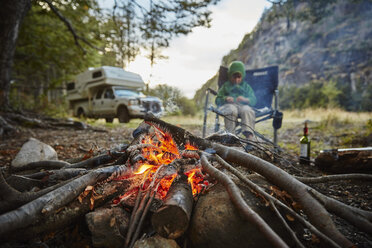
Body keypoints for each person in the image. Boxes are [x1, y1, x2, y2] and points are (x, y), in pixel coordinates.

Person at [215, 61, 257, 139]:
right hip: (228, 105)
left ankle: (249, 136)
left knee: (247, 110)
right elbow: (217, 99)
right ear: (230, 76)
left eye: (239, 77)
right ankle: (231, 136)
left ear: (242, 76)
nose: (236, 80)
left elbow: (253, 100)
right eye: (234, 77)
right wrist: (225, 98)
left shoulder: (246, 86)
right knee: (231, 109)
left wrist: (246, 99)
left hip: (243, 105)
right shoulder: (226, 86)